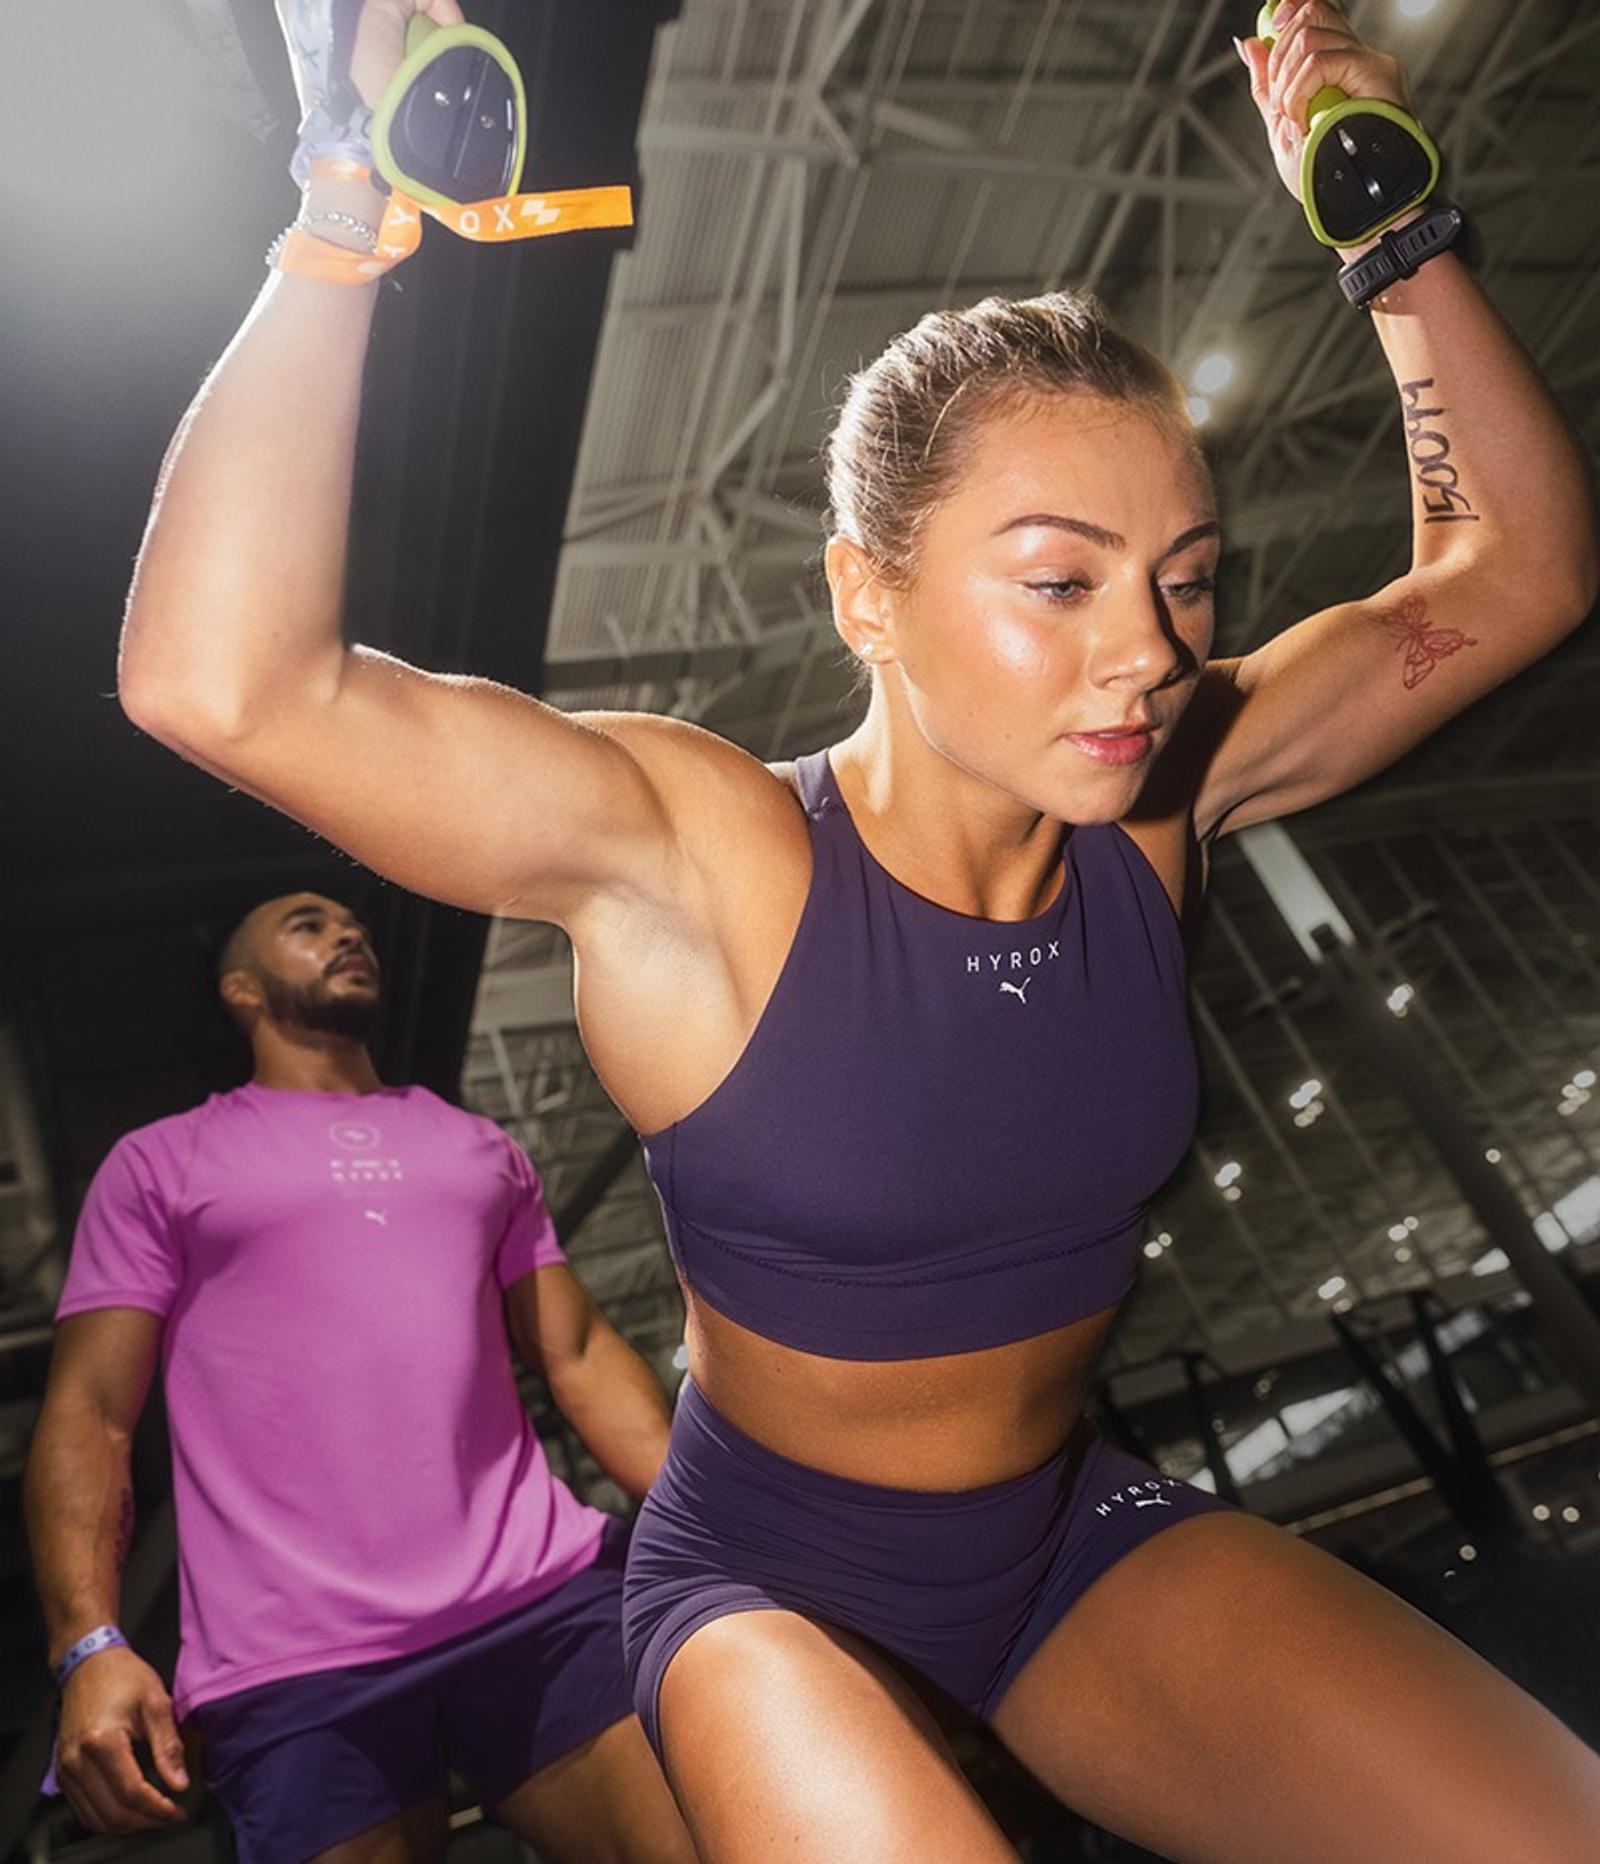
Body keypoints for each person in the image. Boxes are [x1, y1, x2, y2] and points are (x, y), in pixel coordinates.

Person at [112, 0, 1600, 1855]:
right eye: (1056, 578)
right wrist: (344, 197)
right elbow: (222, 681)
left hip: (1066, 1537)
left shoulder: (1162, 798)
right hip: (771, 1583)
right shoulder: (700, 851)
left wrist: (1391, 232)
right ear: (864, 593)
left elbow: (1513, 571)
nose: (1145, 646)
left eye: (1185, 579)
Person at [25, 890, 693, 1863]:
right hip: (293, 1659)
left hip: (536, 1595)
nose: (346, 933)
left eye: (354, 925)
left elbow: (577, 1352)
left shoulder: (479, 1148)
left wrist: (703, 1522)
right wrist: (88, 1643)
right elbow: (89, 1410)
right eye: (307, 923)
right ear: (240, 989)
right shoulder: (160, 1164)